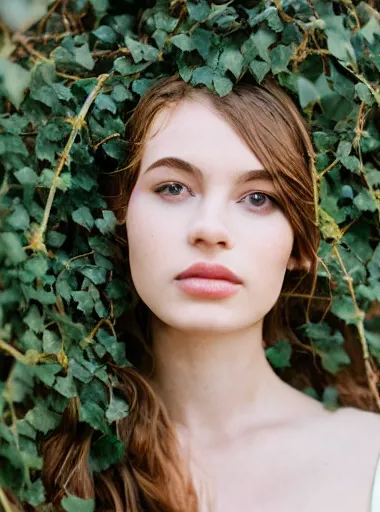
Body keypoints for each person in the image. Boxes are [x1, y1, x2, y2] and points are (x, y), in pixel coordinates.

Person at [41, 74, 380, 512]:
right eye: (173, 188)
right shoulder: (49, 464)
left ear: (300, 245)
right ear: (119, 217)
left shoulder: (369, 461)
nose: (210, 229)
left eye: (258, 197)